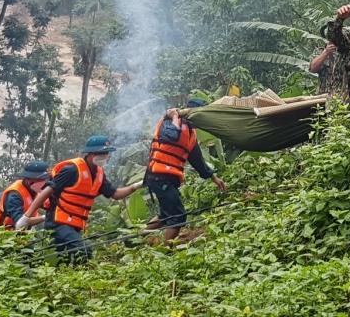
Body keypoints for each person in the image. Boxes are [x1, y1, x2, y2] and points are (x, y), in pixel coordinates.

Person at [16, 135, 144, 262]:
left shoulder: (99, 174)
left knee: (63, 258)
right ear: (89, 153)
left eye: (106, 153)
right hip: (58, 221)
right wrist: (26, 217)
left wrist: (136, 186)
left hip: (75, 224)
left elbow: (114, 193)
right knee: (83, 249)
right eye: (100, 153)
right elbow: (48, 191)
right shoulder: (72, 169)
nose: (104, 156)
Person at [143, 98, 227, 244]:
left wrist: (213, 177)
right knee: (178, 216)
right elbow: (172, 136)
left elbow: (197, 160)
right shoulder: (169, 122)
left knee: (165, 214)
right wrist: (175, 117)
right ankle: (167, 252)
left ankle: (135, 240)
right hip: (159, 176)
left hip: (168, 178)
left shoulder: (190, 133)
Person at [0, 160, 50, 232]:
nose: (43, 182)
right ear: (28, 179)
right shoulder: (14, 195)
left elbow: (47, 203)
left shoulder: (35, 190)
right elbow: (20, 222)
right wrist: (44, 217)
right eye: (40, 180)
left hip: (20, 237)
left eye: (44, 179)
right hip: (1, 238)